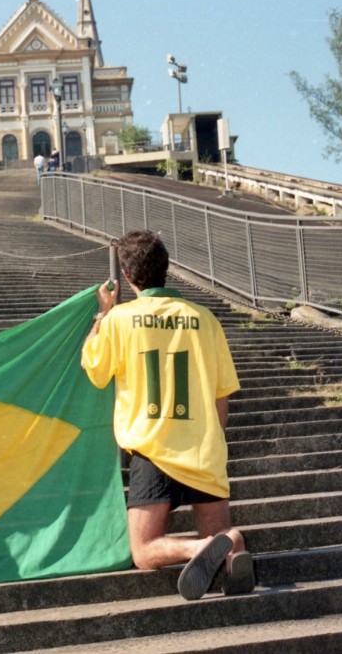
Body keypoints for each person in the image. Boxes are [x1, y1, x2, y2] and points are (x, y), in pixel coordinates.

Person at [80, 230, 253, 601]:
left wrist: (104, 312)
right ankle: (228, 544)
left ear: (127, 276)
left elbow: (93, 366)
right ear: (166, 268)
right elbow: (223, 395)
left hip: (152, 448)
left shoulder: (120, 319)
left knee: (143, 551)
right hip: (204, 447)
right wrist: (213, 438)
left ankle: (198, 549)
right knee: (220, 537)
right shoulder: (205, 319)